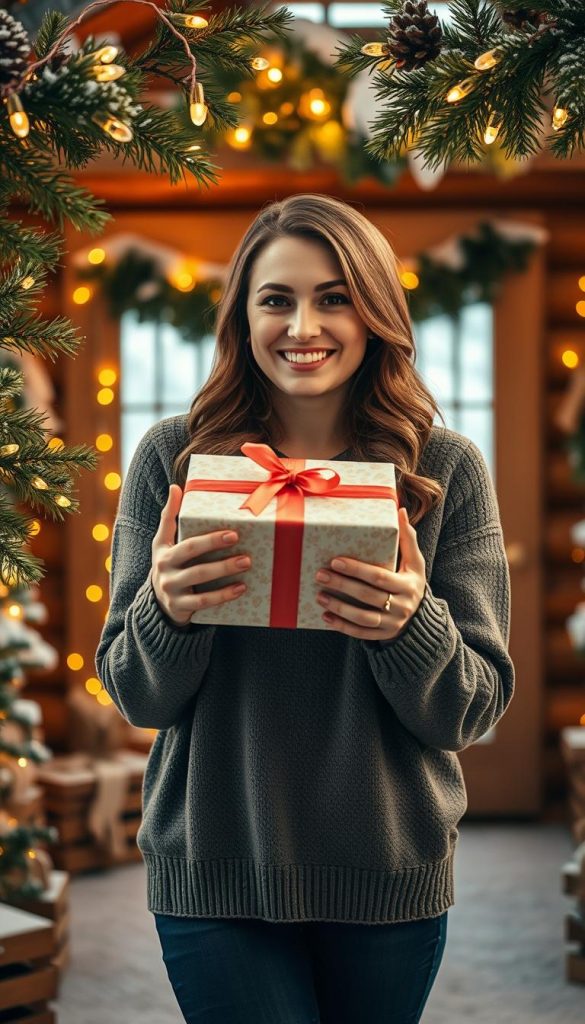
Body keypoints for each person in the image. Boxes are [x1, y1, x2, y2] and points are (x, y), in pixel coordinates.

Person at [95, 193, 515, 1024]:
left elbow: (471, 708)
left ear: (374, 310)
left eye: (333, 296)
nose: (302, 325)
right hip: (214, 864)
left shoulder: (445, 468)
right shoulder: (174, 460)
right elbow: (137, 697)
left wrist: (409, 626)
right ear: (242, 317)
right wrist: (165, 614)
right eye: (275, 299)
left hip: (386, 871)